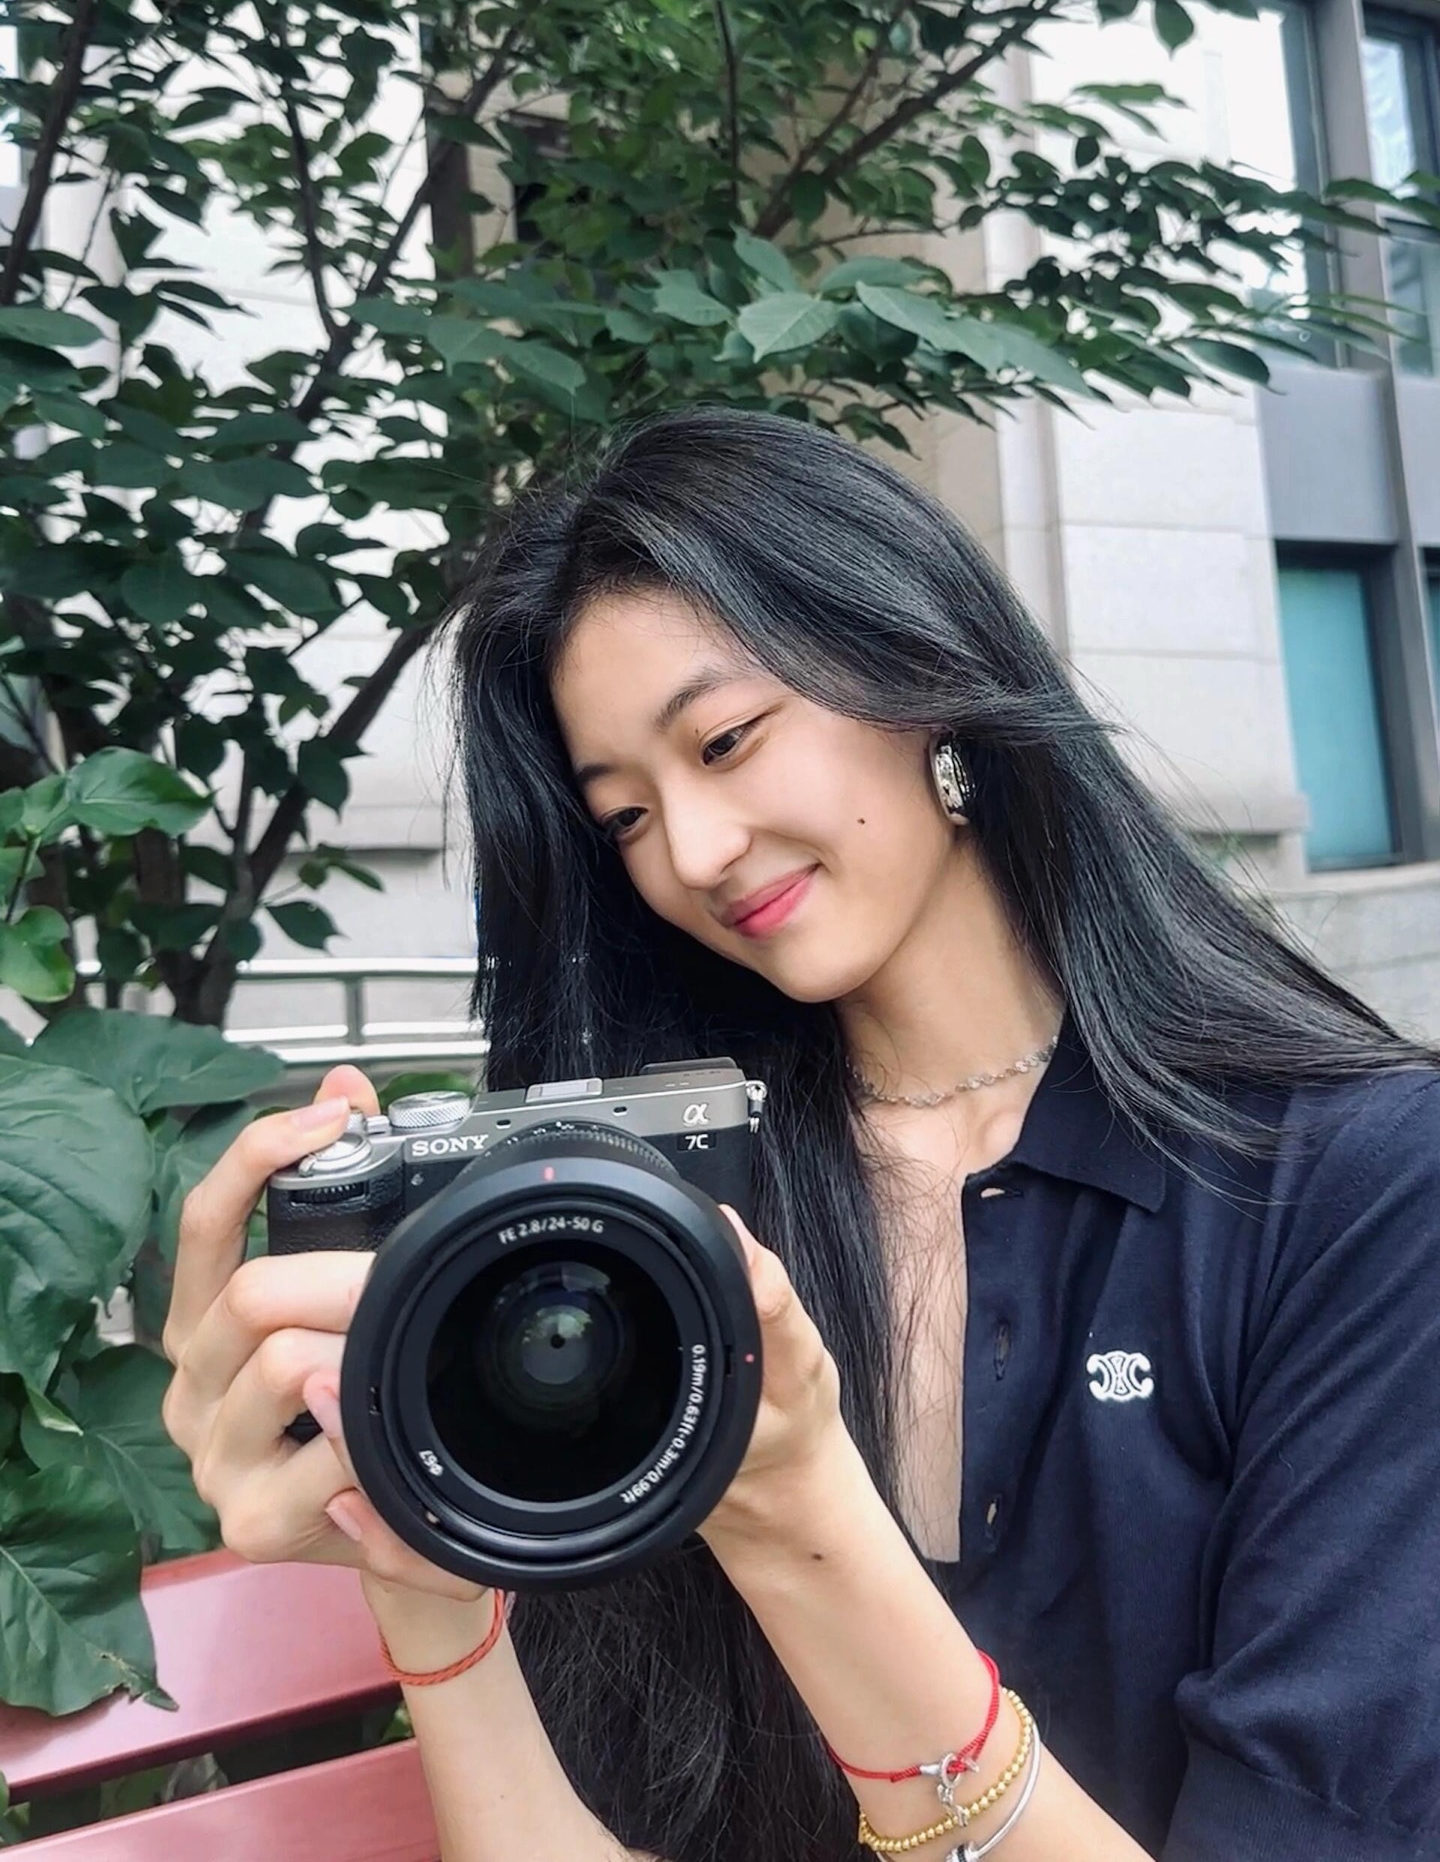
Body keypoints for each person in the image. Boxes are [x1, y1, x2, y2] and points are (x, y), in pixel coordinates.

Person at [162, 404, 1440, 1862]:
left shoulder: (1355, 1184)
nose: (694, 853)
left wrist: (793, 1515)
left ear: (919, 669)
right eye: (624, 817)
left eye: (726, 740)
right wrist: (422, 1571)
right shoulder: (646, 1228)